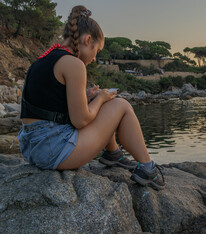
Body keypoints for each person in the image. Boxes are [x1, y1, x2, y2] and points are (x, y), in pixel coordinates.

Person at [17, 5, 165, 190]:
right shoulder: (74, 64)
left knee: (101, 102)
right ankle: (148, 169)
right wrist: (101, 99)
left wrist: (87, 97)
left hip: (32, 148)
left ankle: (113, 154)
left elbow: (48, 103)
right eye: (97, 50)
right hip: (53, 151)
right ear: (88, 40)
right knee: (122, 105)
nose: (95, 58)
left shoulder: (44, 59)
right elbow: (81, 120)